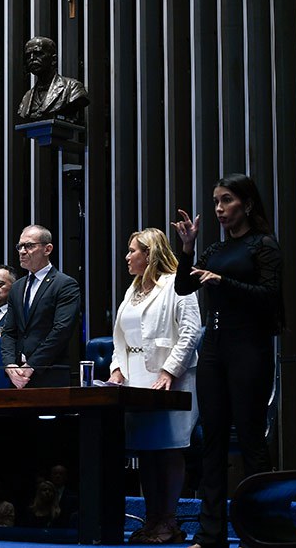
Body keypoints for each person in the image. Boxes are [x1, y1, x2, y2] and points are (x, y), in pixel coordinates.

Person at [173, 174, 282, 548]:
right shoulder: (215, 250)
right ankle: (210, 535)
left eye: (227, 200)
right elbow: (183, 287)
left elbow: (270, 295)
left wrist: (223, 282)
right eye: (216, 202)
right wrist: (188, 249)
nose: (219, 209)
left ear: (247, 204)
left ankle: (260, 533)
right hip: (214, 350)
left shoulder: (262, 245)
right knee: (212, 441)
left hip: (249, 348)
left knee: (251, 440)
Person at [107, 228, 202, 543]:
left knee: (169, 449)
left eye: (132, 251)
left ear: (149, 254)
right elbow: (120, 338)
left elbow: (190, 331)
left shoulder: (177, 283)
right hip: (135, 380)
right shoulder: (132, 289)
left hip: (172, 378)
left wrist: (170, 371)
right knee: (147, 452)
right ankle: (151, 520)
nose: (127, 257)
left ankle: (169, 522)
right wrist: (117, 369)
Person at [1, 225, 80, 388]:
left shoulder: (64, 284)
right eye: (20, 246)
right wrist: (9, 365)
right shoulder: (17, 287)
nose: (22, 251)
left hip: (50, 374)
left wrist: (32, 365)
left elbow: (61, 331)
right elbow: (9, 331)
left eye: (29, 246)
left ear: (47, 249)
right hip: (17, 377)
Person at [17, 36, 90, 122]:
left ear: (54, 59)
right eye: (28, 56)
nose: (32, 58)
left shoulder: (72, 87)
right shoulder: (26, 98)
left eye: (38, 54)